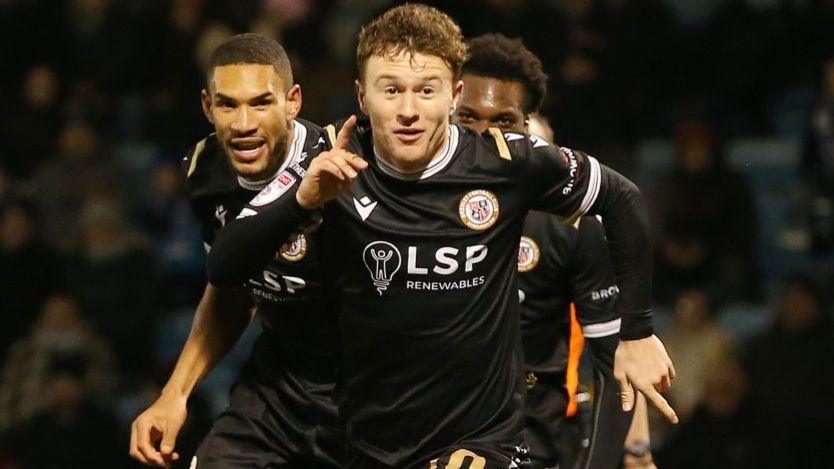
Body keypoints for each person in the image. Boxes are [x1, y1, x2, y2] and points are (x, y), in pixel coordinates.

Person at [208, 5, 676, 468]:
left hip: (483, 441)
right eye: (390, 90)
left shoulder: (505, 162)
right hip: (366, 441)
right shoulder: (327, 158)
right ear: (362, 95)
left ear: (453, 96)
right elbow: (225, 266)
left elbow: (621, 197)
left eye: (426, 90)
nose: (408, 110)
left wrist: (637, 331)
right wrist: (301, 201)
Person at [129, 34, 342, 469]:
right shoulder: (205, 171)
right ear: (208, 107)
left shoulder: (342, 166)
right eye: (228, 105)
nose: (243, 123)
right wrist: (175, 394)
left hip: (371, 395)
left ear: (293, 102)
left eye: (261, 103)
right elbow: (232, 289)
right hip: (279, 390)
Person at [453, 33, 653, 469]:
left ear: (528, 127)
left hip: (532, 447)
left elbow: (613, 367)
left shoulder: (573, 228)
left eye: (503, 121)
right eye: (467, 117)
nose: (483, 136)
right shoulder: (398, 206)